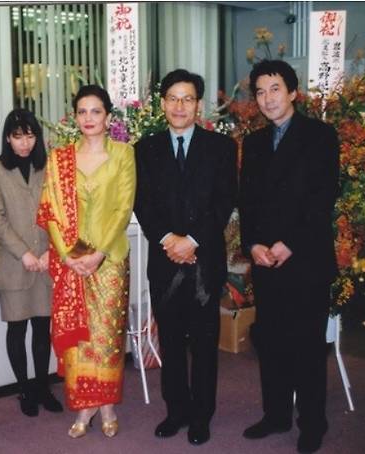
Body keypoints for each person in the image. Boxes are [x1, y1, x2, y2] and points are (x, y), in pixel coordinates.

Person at [239, 60, 339, 454]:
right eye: (260, 92)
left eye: (275, 89)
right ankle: (276, 415)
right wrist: (252, 244)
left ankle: (313, 423)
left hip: (306, 258)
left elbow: (322, 197)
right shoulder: (254, 143)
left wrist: (289, 243)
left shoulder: (320, 136)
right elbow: (247, 202)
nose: (268, 99)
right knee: (271, 342)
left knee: (307, 346)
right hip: (266, 260)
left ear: (293, 92)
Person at [134, 69, 237, 446]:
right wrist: (169, 240)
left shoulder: (221, 147)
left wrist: (191, 240)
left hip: (204, 260)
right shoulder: (145, 149)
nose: (180, 106)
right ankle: (176, 410)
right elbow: (142, 202)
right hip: (165, 261)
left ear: (198, 104)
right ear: (162, 104)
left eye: (188, 99)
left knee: (205, 344)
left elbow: (224, 201)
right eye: (173, 98)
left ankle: (201, 415)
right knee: (172, 341)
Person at [37, 85, 136, 439]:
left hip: (110, 259)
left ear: (108, 117)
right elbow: (50, 209)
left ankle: (106, 406)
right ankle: (83, 407)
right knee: (80, 340)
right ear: (75, 117)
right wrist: (68, 255)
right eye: (82, 111)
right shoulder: (60, 159)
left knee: (107, 336)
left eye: (96, 111)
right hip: (73, 261)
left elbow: (123, 208)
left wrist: (99, 253)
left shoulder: (123, 153)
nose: (89, 118)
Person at [0, 109, 63, 417]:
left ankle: (43, 387)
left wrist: (50, 251)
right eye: (18, 137)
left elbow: (60, 212)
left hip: (46, 260)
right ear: (8, 138)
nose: (25, 143)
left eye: (30, 136)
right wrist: (24, 253)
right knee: (17, 329)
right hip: (13, 263)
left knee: (43, 328)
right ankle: (24, 389)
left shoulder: (49, 166)